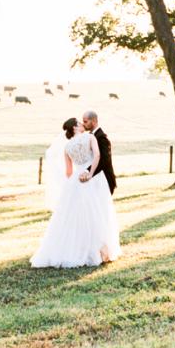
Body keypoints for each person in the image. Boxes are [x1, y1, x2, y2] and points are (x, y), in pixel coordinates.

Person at [30, 117, 121, 268]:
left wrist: (72, 184)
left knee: (74, 217)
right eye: (80, 123)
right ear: (75, 128)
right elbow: (97, 156)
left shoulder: (67, 147)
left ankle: (76, 249)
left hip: (75, 182)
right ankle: (99, 250)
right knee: (96, 214)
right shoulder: (90, 137)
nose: (82, 124)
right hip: (92, 180)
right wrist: (90, 173)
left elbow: (68, 171)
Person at [82, 110, 117, 195]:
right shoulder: (91, 136)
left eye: (85, 121)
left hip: (104, 179)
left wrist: (88, 171)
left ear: (93, 121)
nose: (83, 124)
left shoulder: (101, 138)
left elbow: (104, 160)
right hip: (96, 179)